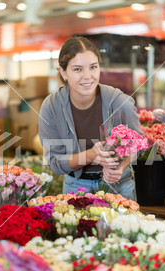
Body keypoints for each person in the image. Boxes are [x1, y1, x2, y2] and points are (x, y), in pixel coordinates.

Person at [38, 36, 142, 200]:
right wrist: (91, 155)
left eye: (93, 67)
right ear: (63, 72)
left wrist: (120, 167)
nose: (88, 76)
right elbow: (55, 162)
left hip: (119, 186)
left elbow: (139, 145)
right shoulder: (51, 106)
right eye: (78, 69)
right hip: (75, 186)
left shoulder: (120, 102)